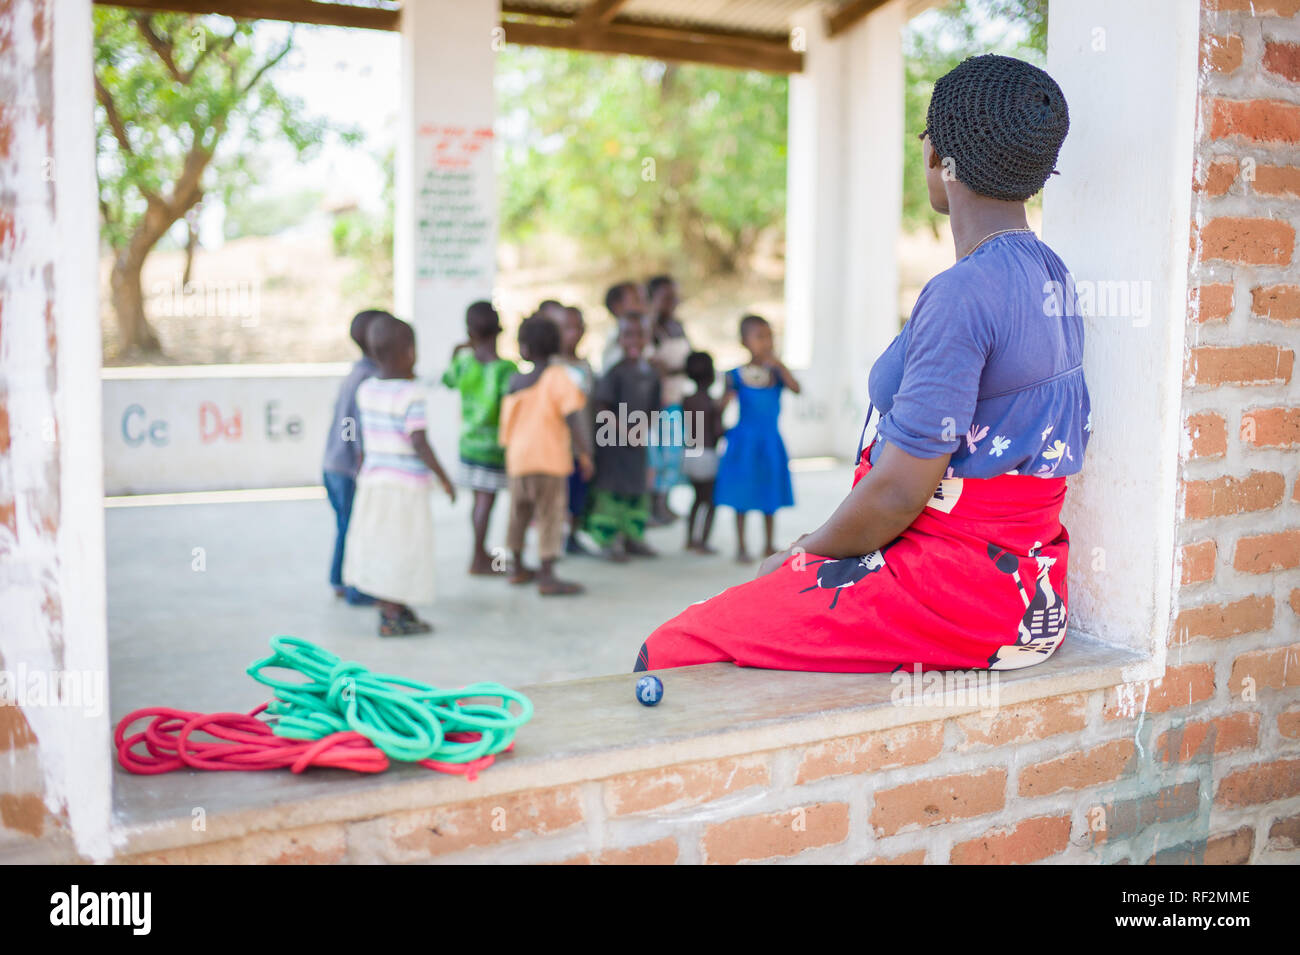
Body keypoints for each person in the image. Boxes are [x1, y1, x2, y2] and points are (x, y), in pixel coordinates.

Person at [635, 54, 1090, 676]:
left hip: (956, 590)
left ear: (936, 157)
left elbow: (902, 489)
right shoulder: (1050, 273)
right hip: (1028, 590)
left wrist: (800, 551)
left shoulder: (963, 293)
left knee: (673, 648)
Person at [343, 314, 456, 636]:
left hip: (373, 483)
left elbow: (366, 439)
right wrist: (444, 477)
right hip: (404, 490)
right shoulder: (411, 395)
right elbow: (418, 440)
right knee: (404, 547)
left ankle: (393, 605)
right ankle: (392, 616)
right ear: (408, 352)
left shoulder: (366, 390)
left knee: (381, 545)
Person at [498, 315, 594, 595]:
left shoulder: (515, 380)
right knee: (550, 515)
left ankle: (515, 567)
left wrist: (510, 452)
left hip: (519, 461)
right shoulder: (559, 378)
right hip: (551, 461)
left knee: (518, 514)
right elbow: (574, 418)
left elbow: (507, 426)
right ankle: (547, 575)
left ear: (523, 348)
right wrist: (585, 453)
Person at [713, 314, 801, 563]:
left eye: (769, 336)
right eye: (759, 337)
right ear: (744, 341)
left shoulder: (777, 374)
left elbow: (797, 388)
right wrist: (723, 406)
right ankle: (741, 545)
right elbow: (719, 406)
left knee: (768, 491)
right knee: (741, 492)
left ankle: (768, 543)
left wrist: (780, 365)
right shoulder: (735, 375)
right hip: (744, 442)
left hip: (770, 441)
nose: (766, 342)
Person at [442, 301, 517, 575]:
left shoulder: (463, 363)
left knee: (478, 501)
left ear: (469, 332)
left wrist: (457, 351)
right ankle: (478, 558)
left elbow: (447, 381)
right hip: (493, 448)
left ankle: (480, 553)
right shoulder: (506, 370)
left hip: (468, 444)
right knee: (486, 502)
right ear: (499, 330)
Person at [322, 310, 383, 606]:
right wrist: (364, 463)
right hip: (348, 469)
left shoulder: (355, 373)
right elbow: (358, 431)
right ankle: (356, 587)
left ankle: (338, 580)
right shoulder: (369, 379)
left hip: (333, 466)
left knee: (346, 525)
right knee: (355, 527)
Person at [587, 315, 661, 561]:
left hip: (637, 446)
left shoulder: (651, 374)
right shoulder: (614, 373)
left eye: (639, 334)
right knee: (612, 492)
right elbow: (602, 407)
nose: (634, 340)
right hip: (613, 445)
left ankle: (632, 537)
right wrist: (624, 432)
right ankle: (610, 541)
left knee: (636, 490)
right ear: (619, 339)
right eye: (628, 334)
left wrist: (641, 432)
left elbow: (654, 409)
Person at [645, 275, 692, 526]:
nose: (672, 302)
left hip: (675, 399)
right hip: (654, 404)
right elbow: (651, 365)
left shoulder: (678, 327)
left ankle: (664, 502)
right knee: (655, 457)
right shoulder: (648, 329)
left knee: (673, 455)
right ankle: (653, 506)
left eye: (674, 297)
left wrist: (673, 370)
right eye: (665, 298)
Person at [554, 305, 598, 556]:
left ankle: (572, 536)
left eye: (578, 327)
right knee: (559, 496)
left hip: (582, 444)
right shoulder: (551, 366)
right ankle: (554, 541)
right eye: (567, 328)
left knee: (578, 494)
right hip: (558, 445)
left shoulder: (584, 365)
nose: (574, 333)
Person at [681, 350, 724, 554]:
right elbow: (717, 431)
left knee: (697, 499)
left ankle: (690, 539)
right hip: (707, 455)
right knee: (711, 502)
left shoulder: (687, 400)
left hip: (689, 454)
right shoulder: (711, 402)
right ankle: (703, 542)